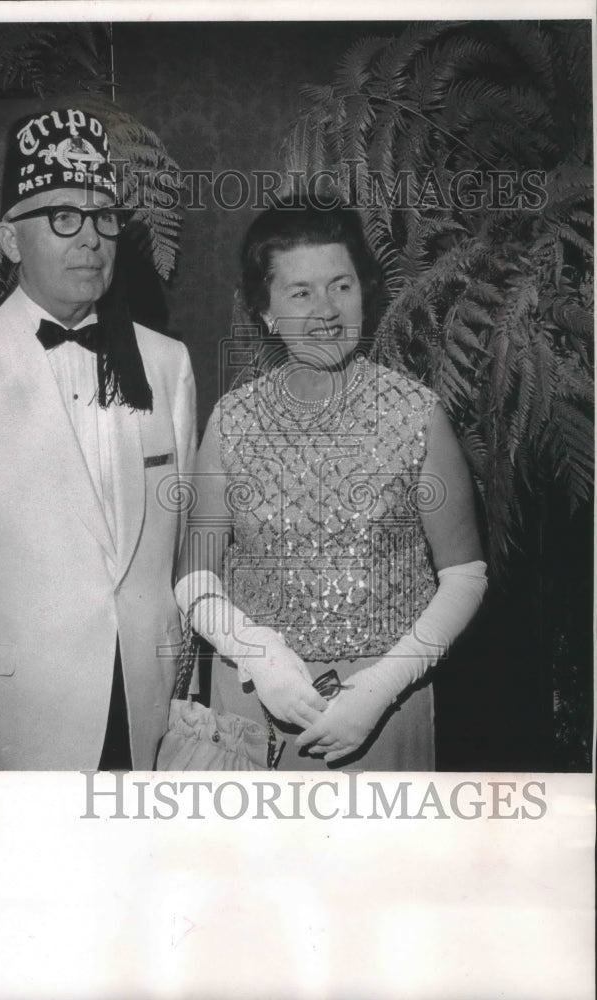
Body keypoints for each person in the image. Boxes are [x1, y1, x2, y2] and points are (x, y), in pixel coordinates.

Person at [0, 106, 196, 770]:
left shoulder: (166, 363)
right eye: (62, 218)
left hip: (148, 716)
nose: (91, 239)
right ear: (10, 240)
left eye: (104, 217)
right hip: (6, 725)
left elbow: (181, 545)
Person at [174, 201, 486, 770]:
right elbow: (195, 576)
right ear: (265, 311)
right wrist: (259, 657)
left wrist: (378, 690)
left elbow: (464, 577)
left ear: (364, 292)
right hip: (252, 703)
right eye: (300, 293)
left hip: (385, 708)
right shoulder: (233, 419)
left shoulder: (417, 413)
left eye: (340, 286)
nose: (326, 311)